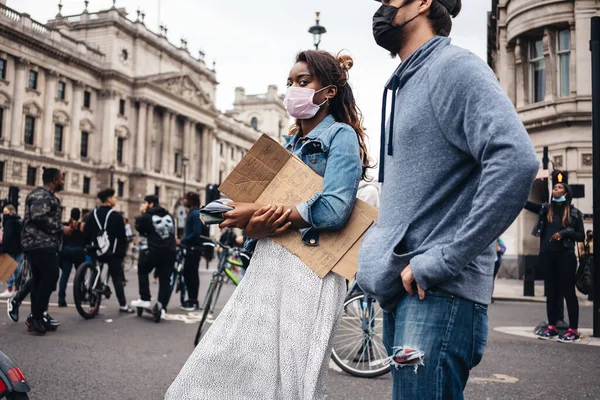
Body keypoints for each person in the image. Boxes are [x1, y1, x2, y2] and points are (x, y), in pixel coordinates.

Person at [356, 1, 539, 398]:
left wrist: (443, 260)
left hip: (438, 296)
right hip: (409, 294)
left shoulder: (453, 68)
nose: (382, 8)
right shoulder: (407, 83)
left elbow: (516, 160)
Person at [167, 50, 368, 399]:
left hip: (310, 267)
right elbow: (260, 220)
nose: (293, 90)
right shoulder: (286, 144)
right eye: (291, 82)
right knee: (236, 359)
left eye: (303, 82)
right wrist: (249, 221)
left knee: (290, 374)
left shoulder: (341, 137)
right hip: (268, 260)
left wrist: (261, 213)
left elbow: (336, 208)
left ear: (329, 92)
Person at [524, 183, 584, 342]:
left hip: (566, 257)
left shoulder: (574, 213)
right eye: (555, 188)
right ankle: (552, 326)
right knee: (551, 292)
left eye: (559, 188)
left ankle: (574, 330)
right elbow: (526, 203)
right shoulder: (545, 210)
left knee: (568, 292)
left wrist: (564, 233)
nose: (555, 189)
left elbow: (581, 236)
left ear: (566, 193)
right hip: (548, 256)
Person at [20, 167, 71, 334]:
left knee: (39, 280)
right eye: (62, 179)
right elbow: (38, 217)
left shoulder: (45, 196)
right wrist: (61, 228)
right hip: (39, 243)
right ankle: (35, 317)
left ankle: (38, 316)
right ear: (55, 180)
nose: (63, 182)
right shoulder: (41, 195)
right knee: (50, 277)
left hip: (41, 243)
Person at [83, 189, 134, 314]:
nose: (115, 199)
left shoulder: (93, 214)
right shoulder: (116, 215)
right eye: (114, 197)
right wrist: (122, 253)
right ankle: (123, 305)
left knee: (95, 274)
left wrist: (87, 246)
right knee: (116, 277)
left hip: (96, 250)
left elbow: (86, 232)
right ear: (109, 199)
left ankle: (92, 304)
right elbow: (122, 237)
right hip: (113, 252)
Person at [131, 195, 177, 318]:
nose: (144, 205)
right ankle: (162, 307)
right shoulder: (169, 216)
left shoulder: (147, 216)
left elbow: (139, 228)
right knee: (165, 280)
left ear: (150, 204)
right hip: (170, 252)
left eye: (145, 203)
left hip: (155, 251)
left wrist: (141, 214)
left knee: (142, 269)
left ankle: (145, 298)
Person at [179, 192, 203, 311]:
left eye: (186, 199)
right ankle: (191, 299)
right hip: (191, 249)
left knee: (191, 274)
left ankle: (193, 300)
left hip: (193, 249)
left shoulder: (195, 214)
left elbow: (196, 233)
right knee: (188, 274)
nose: (184, 201)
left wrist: (182, 240)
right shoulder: (193, 213)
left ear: (191, 200)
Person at [57, 208, 85, 307]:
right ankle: (81, 296)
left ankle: (61, 299)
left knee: (64, 275)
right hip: (78, 251)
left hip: (66, 251)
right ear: (79, 215)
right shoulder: (81, 226)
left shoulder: (66, 225)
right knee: (80, 275)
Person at [0, 205, 23, 299]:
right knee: (18, 270)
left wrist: (2, 249)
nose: (3, 214)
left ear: (10, 212)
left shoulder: (8, 221)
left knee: (7, 269)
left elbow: (7, 237)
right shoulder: (19, 221)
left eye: (5, 212)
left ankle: (9, 290)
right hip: (19, 248)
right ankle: (17, 289)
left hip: (9, 249)